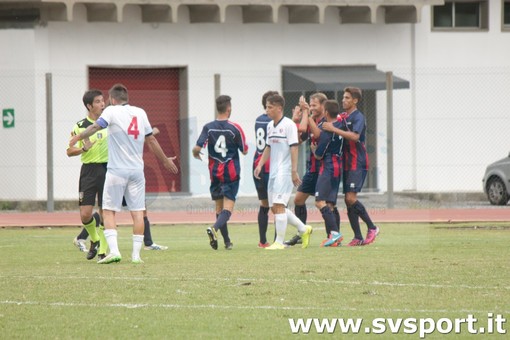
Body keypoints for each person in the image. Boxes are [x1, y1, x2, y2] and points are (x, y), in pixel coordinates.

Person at [69, 83, 178, 264]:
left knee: (109, 211)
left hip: (116, 171)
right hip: (137, 171)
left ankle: (114, 251)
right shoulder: (140, 112)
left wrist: (78, 138)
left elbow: (95, 128)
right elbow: (150, 139)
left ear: (112, 99)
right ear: (127, 98)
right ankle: (136, 256)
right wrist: (165, 160)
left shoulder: (111, 112)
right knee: (138, 212)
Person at [254, 93, 313, 250]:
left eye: (270, 107)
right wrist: (260, 165)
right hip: (273, 172)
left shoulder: (288, 125)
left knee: (279, 205)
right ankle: (303, 229)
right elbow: (268, 147)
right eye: (266, 107)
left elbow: (294, 147)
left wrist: (294, 171)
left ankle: (279, 242)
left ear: (279, 108)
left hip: (285, 171)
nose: (267, 110)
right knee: (275, 208)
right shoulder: (269, 125)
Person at [322, 87, 379, 246]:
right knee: (348, 201)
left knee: (350, 198)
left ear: (355, 100)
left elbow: (355, 137)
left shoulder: (358, 117)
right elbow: (330, 123)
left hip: (357, 162)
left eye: (347, 98)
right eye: (343, 97)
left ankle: (372, 227)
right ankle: (358, 236)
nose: (343, 100)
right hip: (345, 162)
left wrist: (333, 128)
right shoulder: (342, 116)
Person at [192, 95, 248, 250]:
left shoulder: (208, 127)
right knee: (227, 209)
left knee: (219, 209)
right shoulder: (234, 128)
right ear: (229, 109)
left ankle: (227, 242)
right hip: (231, 173)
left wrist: (195, 154)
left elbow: (197, 148)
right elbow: (244, 150)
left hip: (215, 173)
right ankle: (214, 229)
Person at [67, 89, 109, 261]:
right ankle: (95, 239)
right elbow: (69, 150)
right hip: (89, 172)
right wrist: (83, 148)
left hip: (108, 169)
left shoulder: (109, 122)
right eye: (98, 102)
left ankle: (103, 252)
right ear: (89, 106)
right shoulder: (80, 126)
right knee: (85, 214)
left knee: (106, 212)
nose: (102, 104)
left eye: (103, 101)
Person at [285, 93, 330, 246]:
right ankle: (302, 232)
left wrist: (305, 113)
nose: (311, 108)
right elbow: (297, 139)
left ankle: (332, 235)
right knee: (298, 200)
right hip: (312, 169)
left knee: (327, 203)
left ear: (323, 106)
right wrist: (296, 121)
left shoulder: (326, 122)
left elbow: (314, 131)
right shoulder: (312, 120)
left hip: (325, 168)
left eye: (314, 105)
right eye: (309, 105)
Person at [309, 100, 344, 247]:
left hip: (328, 167)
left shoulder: (327, 131)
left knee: (319, 201)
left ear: (326, 113)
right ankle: (333, 237)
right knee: (330, 204)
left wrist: (313, 149)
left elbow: (318, 155)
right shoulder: (341, 126)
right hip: (338, 166)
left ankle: (335, 234)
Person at [253, 90, 279, 248]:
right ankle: (278, 240)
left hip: (257, 164)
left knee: (264, 204)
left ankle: (262, 241)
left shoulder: (258, 120)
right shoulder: (274, 122)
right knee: (279, 205)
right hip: (270, 165)